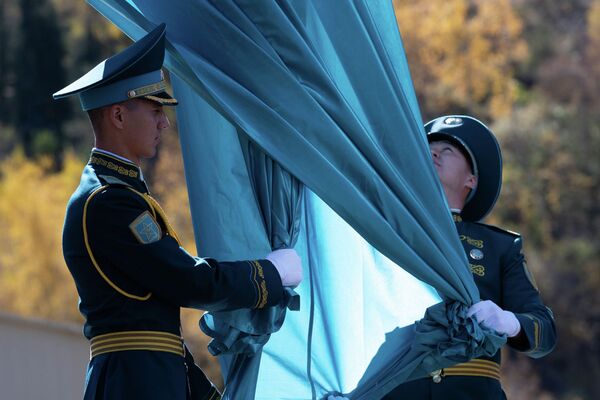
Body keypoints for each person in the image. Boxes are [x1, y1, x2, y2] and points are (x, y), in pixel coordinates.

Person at [53, 23, 302, 400]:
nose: (163, 123)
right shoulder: (108, 201)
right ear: (118, 116)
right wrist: (268, 274)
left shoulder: (120, 195)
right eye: (155, 110)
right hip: (132, 384)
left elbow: (159, 331)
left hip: (143, 379)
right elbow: (187, 281)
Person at [382, 115, 557, 399]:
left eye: (447, 150)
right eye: (428, 149)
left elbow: (544, 332)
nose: (434, 154)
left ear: (471, 180)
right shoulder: (386, 233)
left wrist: (507, 321)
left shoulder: (499, 246)